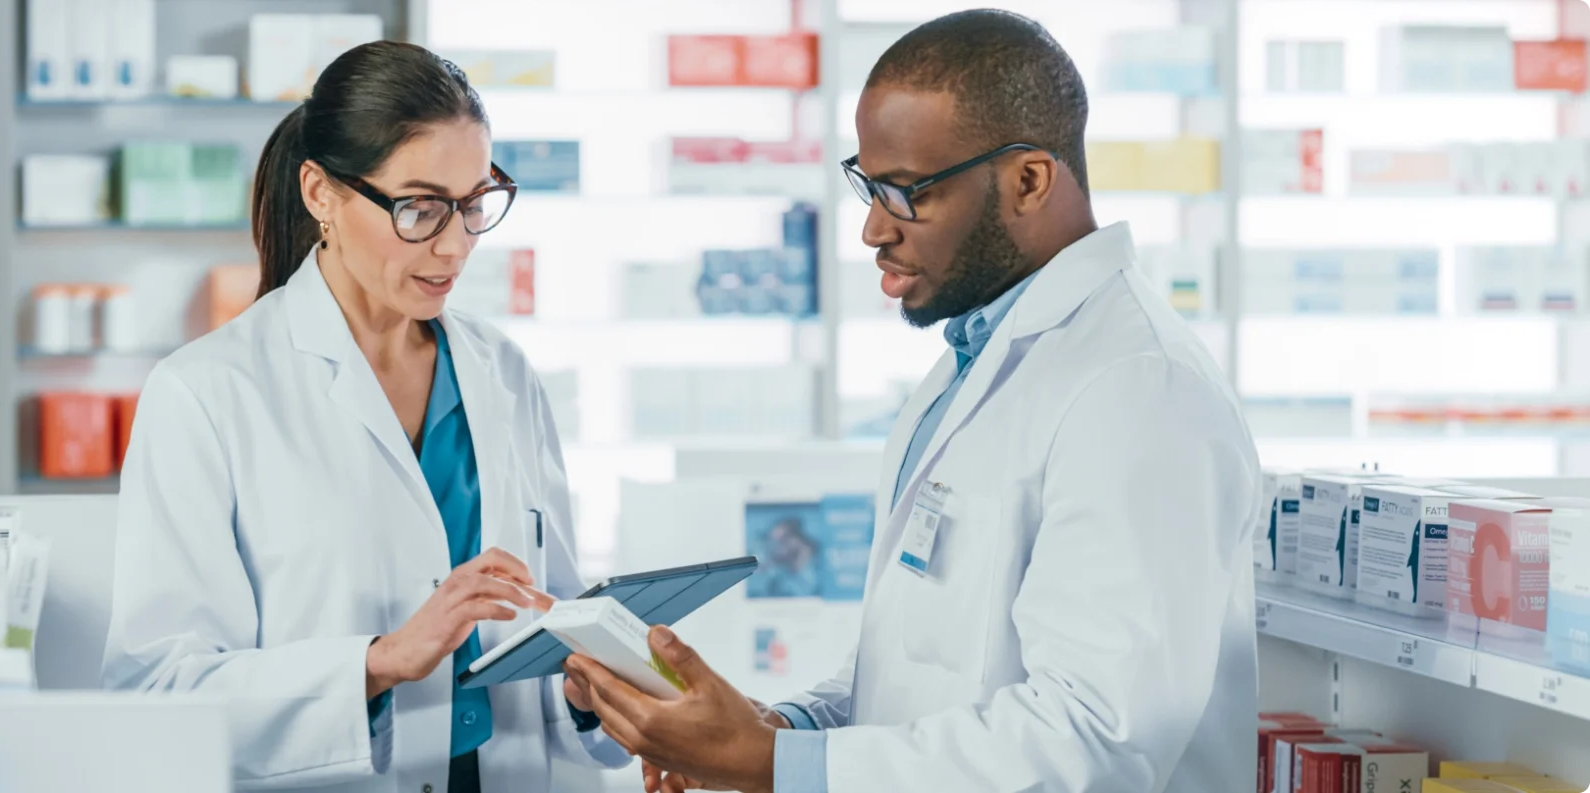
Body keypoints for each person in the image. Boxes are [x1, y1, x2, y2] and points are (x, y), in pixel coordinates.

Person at [565, 10, 1261, 793]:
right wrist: (777, 731)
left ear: (1028, 180)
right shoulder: (971, 364)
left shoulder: (1139, 388)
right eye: (866, 184)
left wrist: (773, 764)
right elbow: (910, 670)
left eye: (905, 192)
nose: (871, 229)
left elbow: (1096, 740)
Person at [101, 41, 630, 793]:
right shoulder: (207, 392)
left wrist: (588, 686)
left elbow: (546, 621)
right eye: (418, 208)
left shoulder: (502, 371)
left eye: (474, 204)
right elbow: (157, 691)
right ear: (320, 193)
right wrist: (379, 661)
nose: (455, 245)